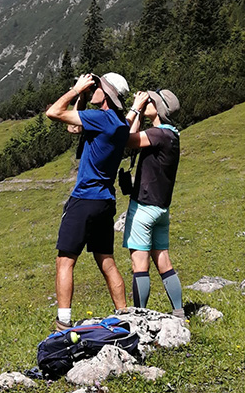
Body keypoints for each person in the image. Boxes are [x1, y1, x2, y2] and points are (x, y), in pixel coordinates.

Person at [46, 72, 130, 330]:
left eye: (96, 86)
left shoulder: (100, 119)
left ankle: (63, 323)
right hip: (105, 201)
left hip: (84, 198)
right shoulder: (118, 122)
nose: (93, 89)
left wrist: (75, 89)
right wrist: (82, 97)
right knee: (106, 259)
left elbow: (53, 113)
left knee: (65, 260)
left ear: (106, 94)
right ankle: (125, 313)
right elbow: (74, 127)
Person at [123, 88, 184, 318]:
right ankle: (178, 312)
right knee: (164, 262)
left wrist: (135, 109)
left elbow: (127, 140)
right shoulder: (172, 135)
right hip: (161, 208)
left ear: (158, 108)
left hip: (143, 208)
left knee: (140, 266)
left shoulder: (157, 134)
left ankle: (139, 317)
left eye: (150, 100)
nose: (145, 101)